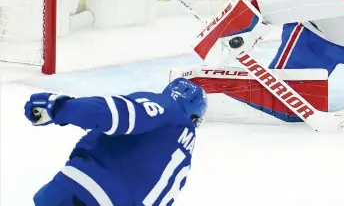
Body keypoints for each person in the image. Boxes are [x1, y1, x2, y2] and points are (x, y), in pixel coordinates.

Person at [24, 77, 208, 206]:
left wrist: (59, 108)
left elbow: (117, 114)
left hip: (82, 191)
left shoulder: (164, 107)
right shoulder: (186, 155)